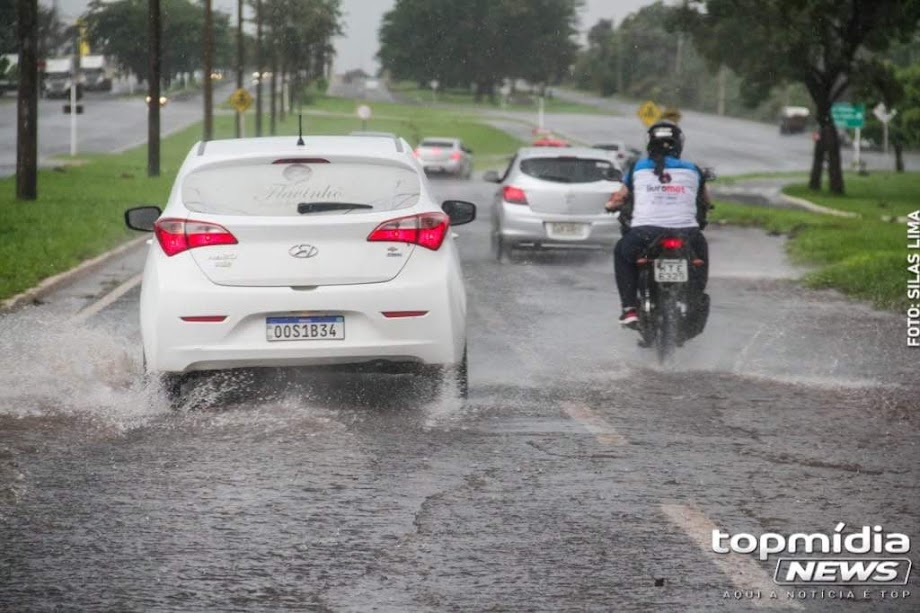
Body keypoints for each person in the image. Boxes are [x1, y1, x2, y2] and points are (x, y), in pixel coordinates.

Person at [604, 120, 711, 329]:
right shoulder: (693, 170)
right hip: (686, 233)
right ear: (678, 144)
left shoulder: (637, 168)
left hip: (645, 233)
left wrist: (610, 204)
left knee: (622, 252)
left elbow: (619, 198)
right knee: (700, 257)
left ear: (650, 144)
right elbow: (706, 201)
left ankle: (629, 309)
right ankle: (695, 300)